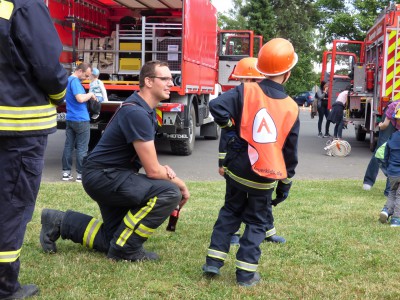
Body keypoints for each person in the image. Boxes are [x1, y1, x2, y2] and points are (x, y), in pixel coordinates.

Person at [40, 60, 190, 263]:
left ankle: (58, 221)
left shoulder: (143, 110)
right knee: (169, 192)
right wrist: (179, 184)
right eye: (164, 78)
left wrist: (162, 169)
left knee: (112, 238)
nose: (170, 83)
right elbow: (153, 171)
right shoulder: (137, 112)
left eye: (171, 79)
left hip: (108, 176)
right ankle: (125, 251)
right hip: (106, 177)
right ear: (148, 81)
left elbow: (151, 164)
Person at [202, 38, 300, 287]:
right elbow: (290, 153)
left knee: (230, 212)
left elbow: (216, 106)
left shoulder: (246, 90)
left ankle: (213, 262)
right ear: (287, 73)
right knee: (257, 222)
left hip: (237, 169)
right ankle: (245, 275)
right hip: (266, 174)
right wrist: (285, 184)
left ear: (263, 69)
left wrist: (232, 130)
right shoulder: (291, 107)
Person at [0, 0, 68, 298]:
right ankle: (4, 287)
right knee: (12, 207)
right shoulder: (24, 5)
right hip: (19, 128)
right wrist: (60, 93)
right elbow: (48, 67)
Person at [226, 57, 286, 246]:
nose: (247, 85)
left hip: (262, 161)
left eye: (251, 80)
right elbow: (225, 137)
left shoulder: (265, 101)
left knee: (262, 200)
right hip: (239, 160)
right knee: (234, 199)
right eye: (243, 80)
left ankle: (268, 231)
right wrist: (222, 162)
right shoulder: (236, 101)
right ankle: (232, 232)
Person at [61, 62, 97, 183]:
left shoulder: (68, 80)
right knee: (82, 148)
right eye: (86, 75)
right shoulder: (75, 81)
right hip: (81, 119)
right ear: (80, 71)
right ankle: (80, 175)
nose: (87, 78)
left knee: (68, 146)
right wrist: (90, 94)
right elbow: (80, 98)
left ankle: (66, 173)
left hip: (70, 118)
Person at [362, 100, 399, 192]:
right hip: (390, 121)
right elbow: (385, 125)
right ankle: (368, 181)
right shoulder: (394, 106)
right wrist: (381, 125)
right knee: (381, 150)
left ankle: (391, 188)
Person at [379, 108, 400, 226]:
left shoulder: (393, 136)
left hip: (392, 172)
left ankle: (386, 211)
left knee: (392, 192)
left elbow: (385, 154)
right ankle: (396, 219)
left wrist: (387, 168)